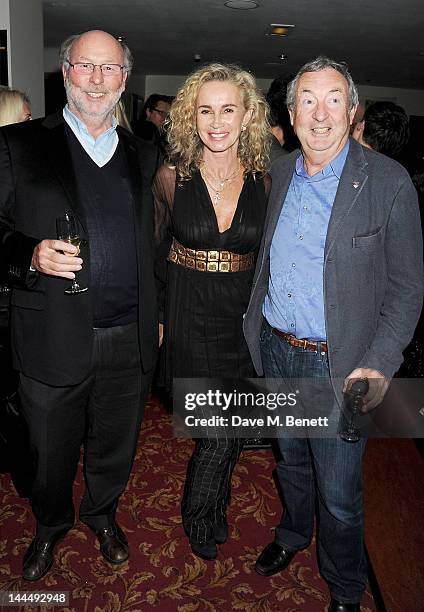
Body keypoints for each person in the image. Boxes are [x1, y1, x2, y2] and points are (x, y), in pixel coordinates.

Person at [243, 56, 423, 611]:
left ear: (353, 110)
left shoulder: (388, 182)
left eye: (333, 100)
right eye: (307, 101)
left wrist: (379, 361)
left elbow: (407, 289)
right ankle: (293, 535)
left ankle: (345, 585)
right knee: (290, 460)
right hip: (277, 349)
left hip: (340, 364)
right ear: (291, 112)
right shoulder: (276, 174)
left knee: (341, 492)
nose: (320, 114)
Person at [0, 30, 158, 581]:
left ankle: (103, 514)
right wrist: (30, 254)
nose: (97, 79)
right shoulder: (18, 145)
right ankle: (49, 525)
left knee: (115, 445)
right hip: (50, 336)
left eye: (109, 69)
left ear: (124, 78)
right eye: (85, 67)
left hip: (127, 335)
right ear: (64, 73)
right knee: (49, 453)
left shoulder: (145, 153)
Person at [153, 63, 270, 561]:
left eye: (228, 109)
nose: (217, 121)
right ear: (190, 116)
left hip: (241, 322)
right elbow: (154, 253)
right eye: (206, 110)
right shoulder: (170, 176)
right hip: (186, 314)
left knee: (230, 427)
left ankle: (212, 507)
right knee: (217, 431)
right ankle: (202, 516)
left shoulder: (266, 180)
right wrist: (156, 321)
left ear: (247, 117)